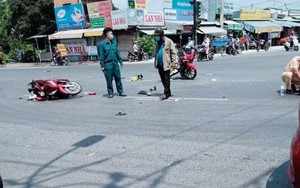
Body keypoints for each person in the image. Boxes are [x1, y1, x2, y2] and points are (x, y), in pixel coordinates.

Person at [99, 27, 126, 98]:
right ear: (107, 34)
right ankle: (110, 93)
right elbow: (101, 56)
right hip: (107, 65)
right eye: (111, 33)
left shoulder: (114, 43)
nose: (112, 35)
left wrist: (120, 61)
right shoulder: (102, 44)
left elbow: (117, 52)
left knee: (118, 78)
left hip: (115, 64)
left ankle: (121, 92)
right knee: (109, 80)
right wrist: (102, 66)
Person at [153, 27, 177, 100]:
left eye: (157, 36)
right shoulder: (157, 42)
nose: (156, 37)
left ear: (161, 35)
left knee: (166, 79)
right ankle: (168, 92)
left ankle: (166, 94)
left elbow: (173, 52)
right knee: (163, 79)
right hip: (159, 64)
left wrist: (173, 62)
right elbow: (156, 53)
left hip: (166, 64)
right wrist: (155, 62)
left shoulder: (168, 41)